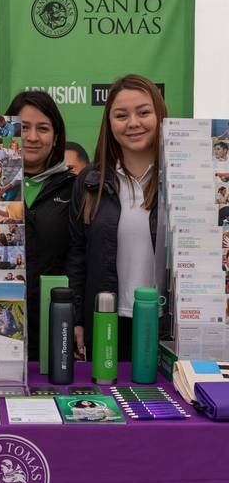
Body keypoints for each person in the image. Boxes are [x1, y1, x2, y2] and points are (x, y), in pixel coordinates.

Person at [68, 74, 168, 361]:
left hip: (167, 327)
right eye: (121, 115)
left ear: (160, 115)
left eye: (144, 112)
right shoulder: (89, 181)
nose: (133, 123)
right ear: (110, 124)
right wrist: (76, 318)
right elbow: (76, 256)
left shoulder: (180, 179)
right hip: (107, 323)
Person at [5, 90, 75, 361]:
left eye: (43, 128)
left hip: (55, 326)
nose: (32, 137)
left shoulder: (75, 188)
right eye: (23, 127)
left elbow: (78, 258)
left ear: (56, 136)